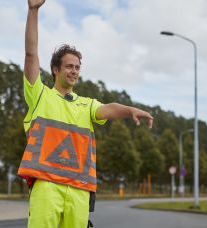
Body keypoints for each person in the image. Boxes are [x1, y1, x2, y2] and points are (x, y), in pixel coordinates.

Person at [17, 0, 154, 228]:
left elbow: (107, 109)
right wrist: (33, 11)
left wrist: (129, 109)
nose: (74, 71)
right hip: (46, 185)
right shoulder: (40, 95)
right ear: (55, 69)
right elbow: (31, 55)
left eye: (77, 67)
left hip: (79, 189)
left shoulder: (86, 104)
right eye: (69, 66)